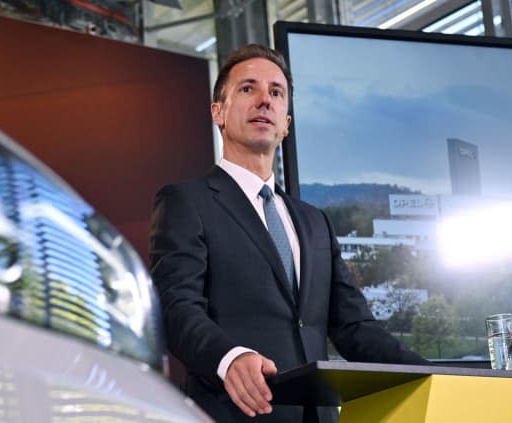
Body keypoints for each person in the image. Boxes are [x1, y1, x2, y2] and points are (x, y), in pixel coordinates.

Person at [148, 44, 426, 423]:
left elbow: (354, 327)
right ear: (218, 112)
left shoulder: (315, 222)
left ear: (287, 123)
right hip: (233, 415)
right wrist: (229, 358)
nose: (264, 100)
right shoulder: (186, 202)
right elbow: (176, 306)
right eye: (248, 89)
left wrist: (433, 373)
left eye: (276, 93)